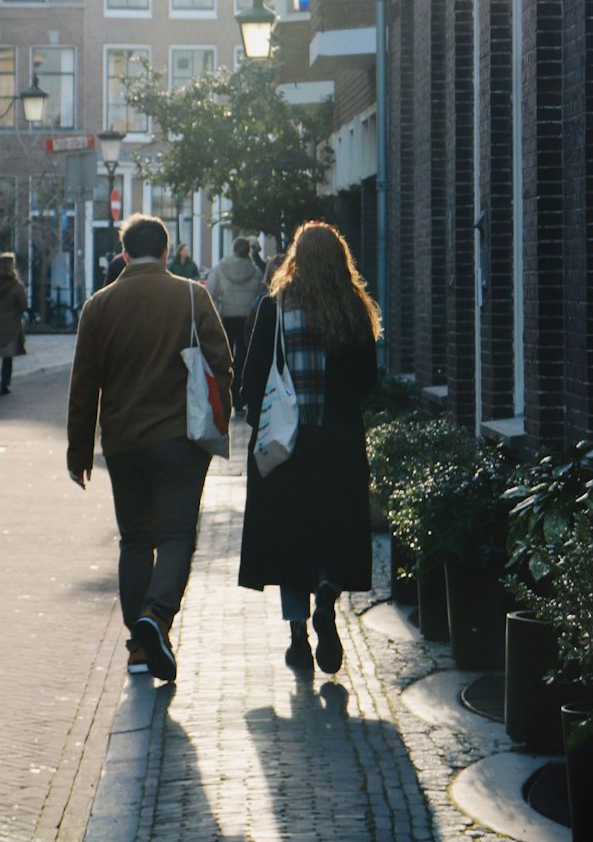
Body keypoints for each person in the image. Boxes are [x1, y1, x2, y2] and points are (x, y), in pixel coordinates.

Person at [67, 213, 232, 683]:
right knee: (177, 536)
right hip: (181, 440)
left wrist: (79, 453)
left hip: (123, 443)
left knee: (135, 538)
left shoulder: (99, 306)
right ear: (165, 252)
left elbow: (84, 387)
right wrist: (216, 415)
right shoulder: (190, 295)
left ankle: (140, 646)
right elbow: (222, 363)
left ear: (123, 254)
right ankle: (156, 618)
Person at [238, 222, 380, 676]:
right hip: (337, 443)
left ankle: (298, 638)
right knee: (335, 530)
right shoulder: (355, 310)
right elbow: (367, 384)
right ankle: (327, 595)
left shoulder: (274, 308)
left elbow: (250, 381)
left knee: (290, 538)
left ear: (296, 259)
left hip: (287, 445)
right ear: (341, 261)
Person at [206, 237, 263, 407]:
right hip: (247, 319)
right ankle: (240, 395)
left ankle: (226, 393)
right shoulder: (256, 272)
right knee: (244, 357)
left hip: (227, 317)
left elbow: (209, 292)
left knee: (225, 356)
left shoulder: (220, 269)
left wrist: (218, 308)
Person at [0, 252, 27, 396]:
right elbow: (23, 305)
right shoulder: (16, 286)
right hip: (11, 324)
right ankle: (5, 384)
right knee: (8, 355)